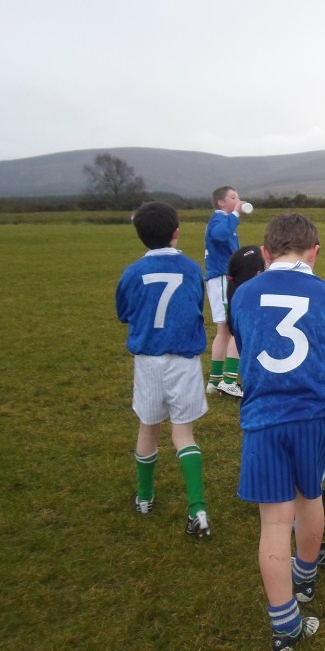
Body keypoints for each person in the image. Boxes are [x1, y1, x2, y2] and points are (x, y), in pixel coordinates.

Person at [229, 213, 325, 649]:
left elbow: (244, 343)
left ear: (266, 254)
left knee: (273, 523)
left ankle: (285, 625)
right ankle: (305, 579)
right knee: (311, 496)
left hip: (264, 416)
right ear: (315, 252)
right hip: (315, 415)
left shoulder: (245, 293)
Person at [115, 201, 210, 537]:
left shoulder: (132, 272)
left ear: (141, 236)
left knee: (148, 427)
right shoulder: (190, 268)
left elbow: (124, 312)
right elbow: (197, 306)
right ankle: (198, 510)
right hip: (184, 361)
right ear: (176, 233)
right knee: (183, 433)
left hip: (149, 362)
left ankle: (144, 499)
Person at [204, 185, 250, 398]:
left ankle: (214, 382)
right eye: (233, 197)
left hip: (221, 279)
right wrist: (235, 214)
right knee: (234, 329)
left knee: (223, 331)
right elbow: (219, 235)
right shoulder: (220, 219)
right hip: (222, 278)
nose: (238, 199)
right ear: (221, 202)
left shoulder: (224, 219)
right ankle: (229, 380)